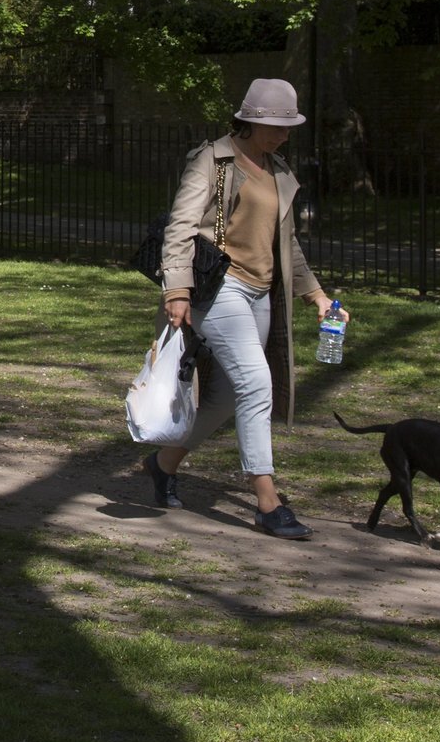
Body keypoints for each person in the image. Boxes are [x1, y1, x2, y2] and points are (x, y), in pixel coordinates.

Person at [143, 78, 347, 539]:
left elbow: (286, 244)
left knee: (230, 397)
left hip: (260, 292)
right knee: (258, 383)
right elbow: (179, 227)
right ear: (251, 122)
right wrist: (176, 289)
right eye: (276, 126)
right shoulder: (212, 161)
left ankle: (163, 464)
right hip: (220, 288)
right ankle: (267, 502)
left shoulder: (278, 170)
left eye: (289, 126)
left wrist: (316, 294)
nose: (284, 134)